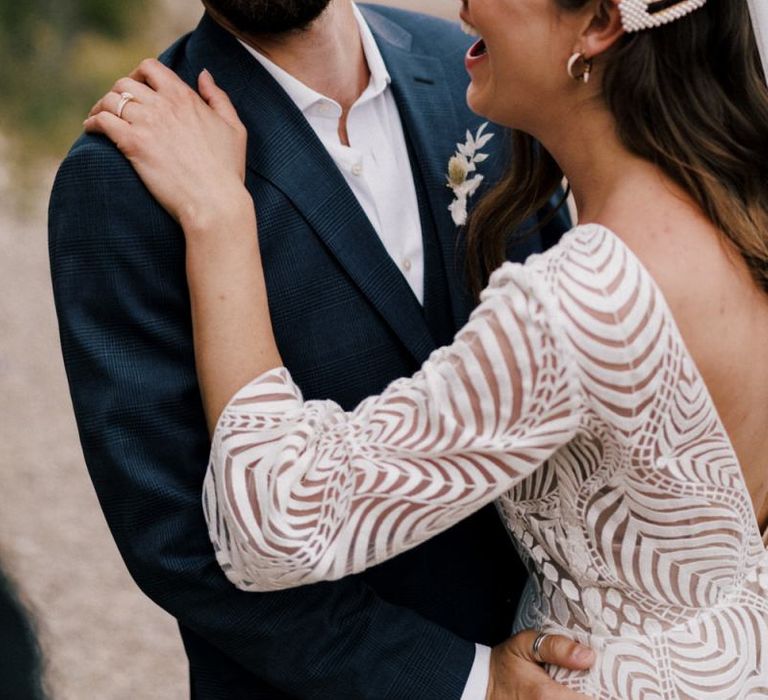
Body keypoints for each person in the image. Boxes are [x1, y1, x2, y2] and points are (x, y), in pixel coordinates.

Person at [81, 0, 768, 696]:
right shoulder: (730, 201)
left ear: (598, 25)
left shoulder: (485, 101)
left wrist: (224, 223)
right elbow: (176, 535)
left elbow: (275, 519)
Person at [49, 1, 587, 698]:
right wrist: (465, 680)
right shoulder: (118, 179)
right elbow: (177, 543)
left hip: (562, 656)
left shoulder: (486, 73)